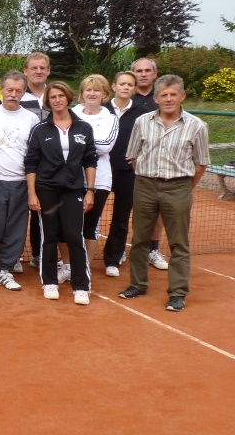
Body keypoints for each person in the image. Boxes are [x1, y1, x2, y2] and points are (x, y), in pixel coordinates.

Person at [120, 75, 209, 312]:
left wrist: (185, 187)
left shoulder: (197, 126)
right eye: (164, 95)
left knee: (179, 243)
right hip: (145, 185)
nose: (168, 99)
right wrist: (148, 177)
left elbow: (201, 163)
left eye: (173, 94)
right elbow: (133, 156)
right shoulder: (142, 122)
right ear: (156, 98)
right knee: (140, 239)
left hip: (179, 187)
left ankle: (178, 293)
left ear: (182, 96)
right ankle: (138, 284)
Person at [25, 81, 97, 304]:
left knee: (74, 236)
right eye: (53, 97)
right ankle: (49, 282)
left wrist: (90, 191)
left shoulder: (84, 128)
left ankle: (81, 286)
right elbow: (31, 163)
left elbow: (90, 160)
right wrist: (32, 194)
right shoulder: (40, 129)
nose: (57, 100)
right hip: (46, 189)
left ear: (68, 98)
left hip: (73, 189)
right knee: (49, 235)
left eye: (61, 96)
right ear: (48, 101)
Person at [0, 71, 39, 293]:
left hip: (21, 182)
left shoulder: (32, 119)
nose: (13, 94)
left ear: (24, 92)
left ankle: (3, 269)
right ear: (1, 89)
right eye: (9, 90)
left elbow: (34, 154)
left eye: (18, 91)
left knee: (16, 230)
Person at [102, 71, 152, 278]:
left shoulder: (143, 113)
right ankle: (80, 256)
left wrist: (137, 158)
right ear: (114, 86)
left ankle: (113, 259)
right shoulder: (102, 109)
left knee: (121, 217)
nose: (125, 87)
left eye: (130, 85)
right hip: (101, 170)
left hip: (127, 172)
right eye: (122, 84)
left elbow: (147, 140)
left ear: (134, 89)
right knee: (90, 214)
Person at [72, 75, 119, 273]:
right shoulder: (71, 113)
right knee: (69, 224)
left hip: (99, 180)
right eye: (88, 90)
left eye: (97, 90)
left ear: (105, 94)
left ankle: (84, 268)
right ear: (82, 93)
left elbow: (106, 146)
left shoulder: (111, 118)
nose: (92, 93)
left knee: (90, 226)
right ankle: (69, 264)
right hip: (71, 178)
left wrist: (75, 143)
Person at [130, 57, 170, 271]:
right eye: (139, 71)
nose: (143, 74)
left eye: (147, 70)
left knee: (157, 209)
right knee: (121, 208)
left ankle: (152, 249)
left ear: (155, 73)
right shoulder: (126, 95)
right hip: (125, 163)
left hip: (155, 165)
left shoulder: (163, 97)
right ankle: (117, 250)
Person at [20, 52, 52, 270]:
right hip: (21, 165)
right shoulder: (18, 95)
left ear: (48, 71)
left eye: (42, 68)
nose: (38, 71)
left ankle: (39, 255)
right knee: (18, 212)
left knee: (44, 210)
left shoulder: (55, 95)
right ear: (26, 71)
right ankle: (12, 256)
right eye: (34, 68)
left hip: (49, 167)